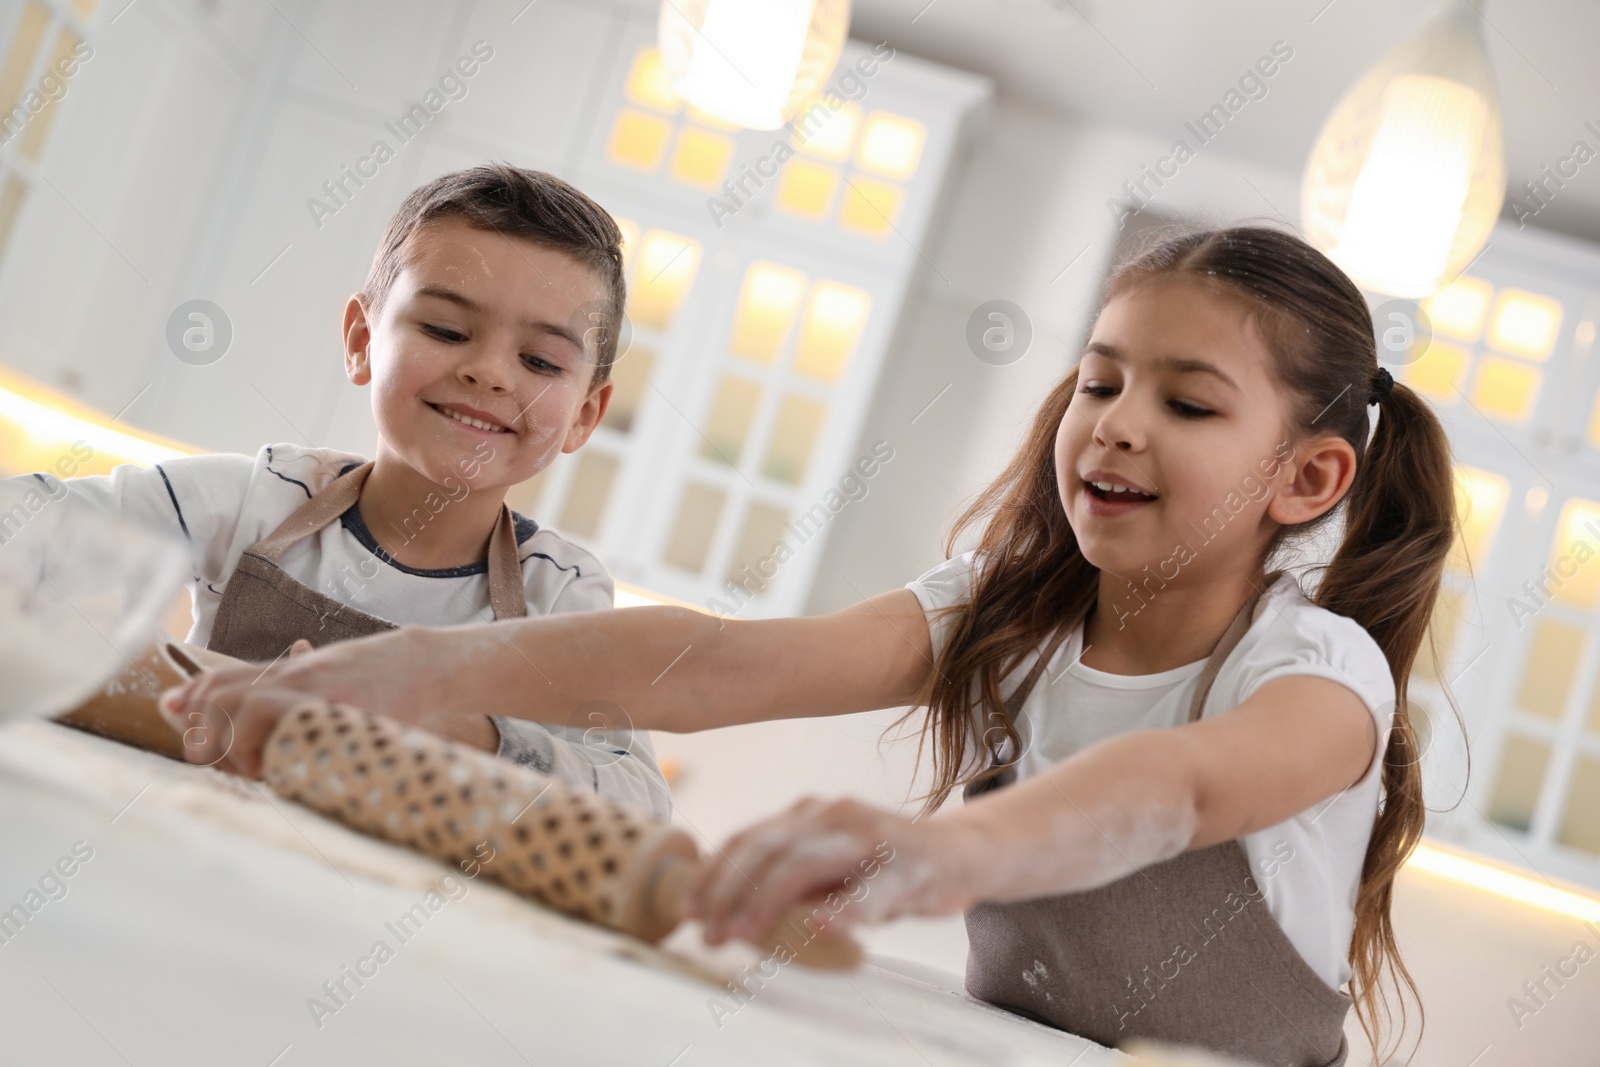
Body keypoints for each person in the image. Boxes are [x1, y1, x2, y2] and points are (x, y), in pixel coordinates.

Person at [163, 226, 1458, 1067]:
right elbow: (718, 665)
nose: (1114, 424)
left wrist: (944, 849)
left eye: (1185, 402)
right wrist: (417, 664)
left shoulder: (1318, 670)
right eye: (1100, 379)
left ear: (1308, 475)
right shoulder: (1003, 614)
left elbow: (1171, 790)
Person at [16, 162, 669, 818]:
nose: (489, 373)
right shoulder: (260, 499)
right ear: (362, 341)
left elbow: (639, 802)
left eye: (540, 361)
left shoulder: (557, 593)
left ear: (585, 413)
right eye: (445, 330)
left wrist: (464, 734)